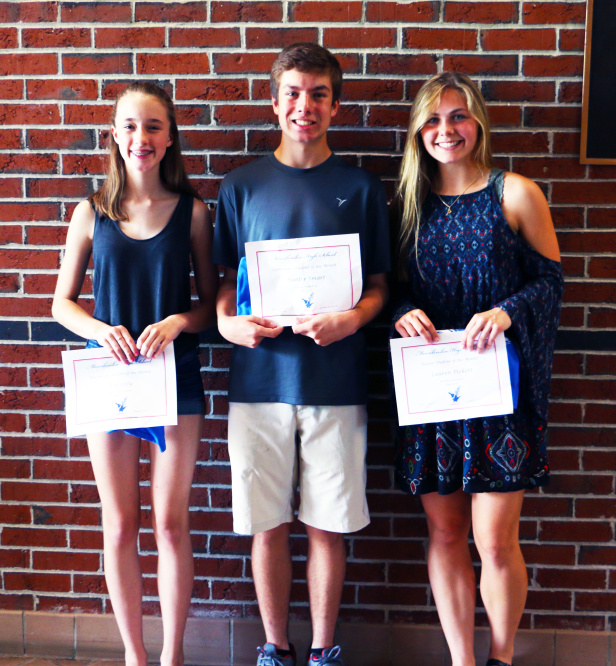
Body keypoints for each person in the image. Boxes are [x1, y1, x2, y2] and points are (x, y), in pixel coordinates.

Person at [213, 43, 391, 666]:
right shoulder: (240, 186)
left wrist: (354, 319)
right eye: (293, 92)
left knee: (327, 525)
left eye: (318, 94)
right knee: (266, 524)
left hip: (336, 381)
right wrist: (226, 325)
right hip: (258, 382)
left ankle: (322, 650)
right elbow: (220, 284)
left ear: (336, 105)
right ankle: (274, 649)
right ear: (274, 101)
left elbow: (378, 288)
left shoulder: (362, 188)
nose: (304, 106)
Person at [391, 72, 563, 666]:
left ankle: (502, 656)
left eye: (459, 116)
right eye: (434, 120)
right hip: (433, 393)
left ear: (479, 122)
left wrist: (507, 312)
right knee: (444, 535)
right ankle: (462, 659)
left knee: (493, 539)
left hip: (499, 395)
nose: (447, 131)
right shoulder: (407, 205)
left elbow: (551, 283)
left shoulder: (514, 193)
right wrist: (403, 310)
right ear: (418, 131)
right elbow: (386, 290)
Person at [51, 82, 217, 666]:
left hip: (176, 380)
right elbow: (61, 304)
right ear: (114, 135)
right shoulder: (90, 213)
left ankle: (171, 655)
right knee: (120, 525)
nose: (140, 138)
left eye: (152, 126)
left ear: (169, 137)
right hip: (111, 380)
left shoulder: (194, 213)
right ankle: (134, 655)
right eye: (129, 126)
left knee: (170, 523)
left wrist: (178, 320)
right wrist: (100, 329)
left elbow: (210, 307)